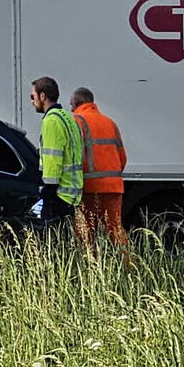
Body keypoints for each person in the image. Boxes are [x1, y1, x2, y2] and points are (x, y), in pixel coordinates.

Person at [69, 87, 129, 247]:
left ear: (78, 102)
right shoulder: (110, 122)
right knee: (115, 229)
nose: (71, 109)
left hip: (89, 187)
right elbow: (122, 157)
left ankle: (91, 267)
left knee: (86, 232)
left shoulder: (77, 121)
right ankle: (129, 266)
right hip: (113, 187)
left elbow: (74, 157)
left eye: (71, 105)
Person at [30, 77, 83, 224]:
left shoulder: (51, 121)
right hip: (72, 193)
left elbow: (53, 159)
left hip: (59, 194)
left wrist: (49, 190)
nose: (32, 101)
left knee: (52, 238)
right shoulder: (67, 117)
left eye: (32, 96)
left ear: (42, 96)